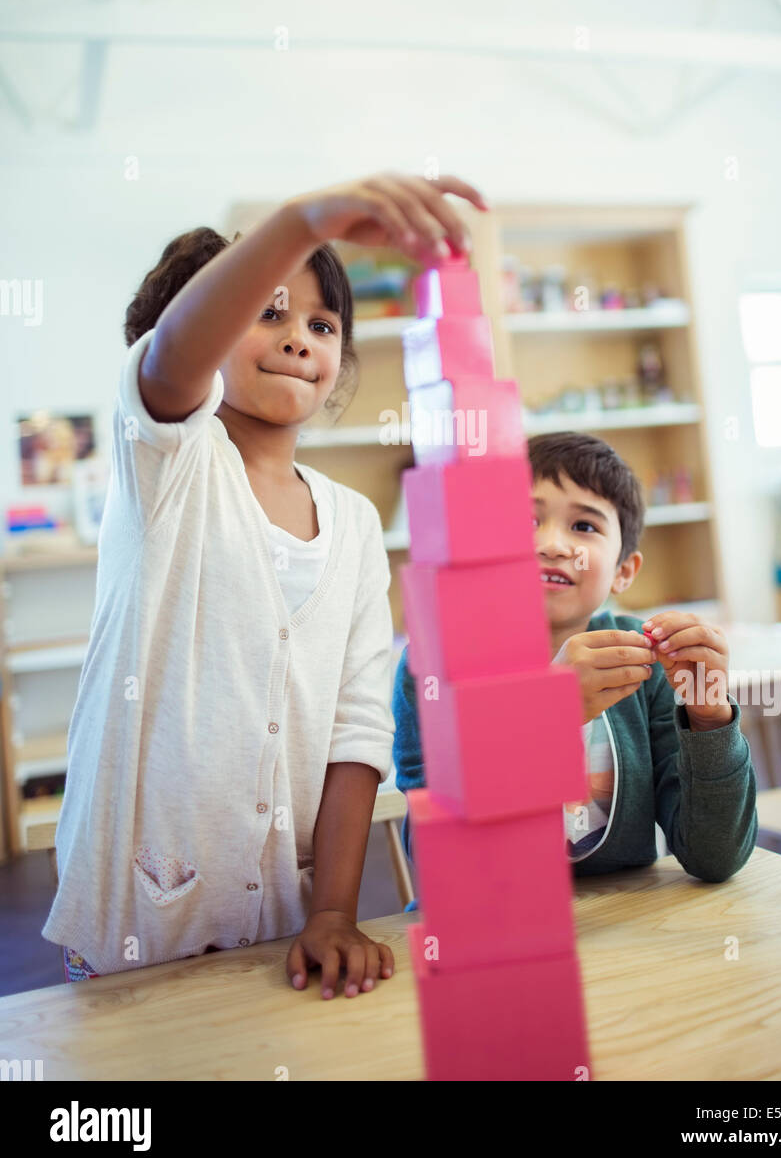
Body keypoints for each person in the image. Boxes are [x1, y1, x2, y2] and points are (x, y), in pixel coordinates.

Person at [42, 171, 488, 998]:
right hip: (133, 917)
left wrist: (332, 912)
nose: (299, 338)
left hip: (277, 924)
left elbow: (357, 732)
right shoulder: (170, 463)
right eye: (268, 310)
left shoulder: (353, 524)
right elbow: (176, 362)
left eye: (322, 323)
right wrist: (301, 220)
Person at [393, 432, 758, 897]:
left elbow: (716, 857)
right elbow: (440, 864)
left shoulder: (648, 669)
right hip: (490, 934)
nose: (552, 545)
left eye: (584, 527)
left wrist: (709, 721)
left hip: (623, 933)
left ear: (624, 570)